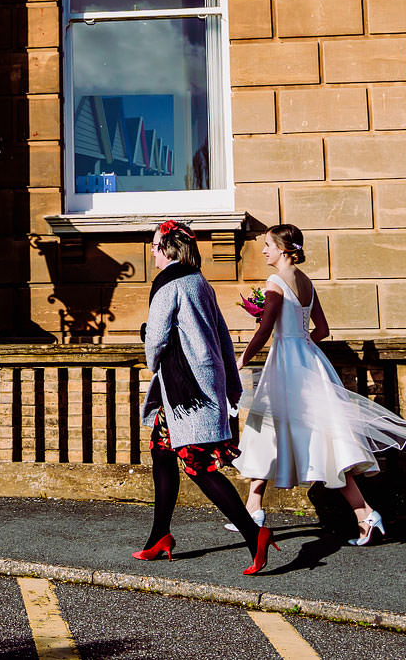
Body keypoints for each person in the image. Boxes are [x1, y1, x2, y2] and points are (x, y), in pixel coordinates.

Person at [234, 224, 406, 548]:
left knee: (269, 428)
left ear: (284, 249)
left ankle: (259, 510)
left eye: (268, 245)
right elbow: (323, 329)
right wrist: (302, 342)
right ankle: (257, 506)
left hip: (287, 363)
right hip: (309, 359)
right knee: (321, 439)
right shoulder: (307, 282)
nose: (264, 251)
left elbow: (265, 329)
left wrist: (243, 359)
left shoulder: (275, 282)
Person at [134, 219, 270, 574]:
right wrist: (230, 382)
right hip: (195, 386)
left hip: (186, 390)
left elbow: (157, 340)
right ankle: (159, 535)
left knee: (197, 463)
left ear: (167, 247)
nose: (151, 250)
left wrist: (148, 344)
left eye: (154, 244)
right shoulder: (199, 282)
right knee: (161, 453)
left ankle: (254, 534)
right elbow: (222, 334)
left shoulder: (167, 285)